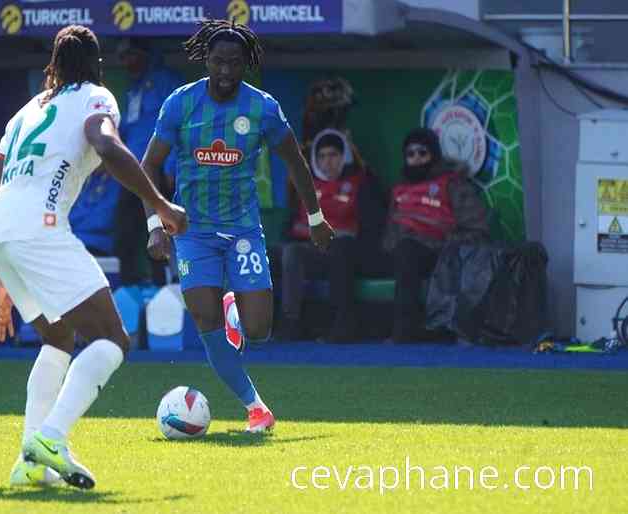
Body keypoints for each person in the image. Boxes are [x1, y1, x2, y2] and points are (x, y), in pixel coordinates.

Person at [0, 25, 186, 490]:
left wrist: (1, 283)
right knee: (112, 339)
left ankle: (30, 460)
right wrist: (163, 205)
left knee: (58, 339)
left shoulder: (26, 111)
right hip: (39, 228)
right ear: (97, 65)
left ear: (53, 64)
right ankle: (51, 437)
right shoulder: (97, 96)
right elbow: (107, 145)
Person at [141, 20, 334, 433]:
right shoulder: (181, 103)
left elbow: (296, 163)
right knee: (205, 321)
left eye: (234, 63)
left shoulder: (263, 107)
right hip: (191, 230)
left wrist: (316, 217)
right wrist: (155, 223)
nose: (226, 71)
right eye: (218, 61)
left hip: (243, 229)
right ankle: (256, 408)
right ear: (205, 60)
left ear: (246, 64)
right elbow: (149, 165)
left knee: (260, 330)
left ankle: (236, 308)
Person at [279, 129, 388, 342]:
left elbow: (370, 228)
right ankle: (287, 324)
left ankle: (341, 326)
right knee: (284, 252)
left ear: (344, 156)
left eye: (333, 155)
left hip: (347, 251)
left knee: (341, 248)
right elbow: (291, 227)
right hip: (312, 250)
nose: (328, 162)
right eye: (322, 156)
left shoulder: (362, 183)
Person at [384, 128, 490, 342]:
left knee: (407, 251)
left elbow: (477, 229)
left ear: (433, 155)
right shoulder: (400, 189)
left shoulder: (452, 184)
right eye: (410, 154)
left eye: (422, 153)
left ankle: (405, 331)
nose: (416, 159)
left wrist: (446, 243)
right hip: (401, 252)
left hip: (440, 253)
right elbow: (389, 233)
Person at [114, 37, 183, 284]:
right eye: (122, 57)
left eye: (131, 54)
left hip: (158, 173)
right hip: (132, 173)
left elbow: (179, 126)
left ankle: (167, 286)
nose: (126, 62)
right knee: (126, 232)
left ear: (145, 53)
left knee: (163, 230)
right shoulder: (132, 90)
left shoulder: (166, 81)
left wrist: (171, 166)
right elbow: (127, 133)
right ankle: (132, 289)